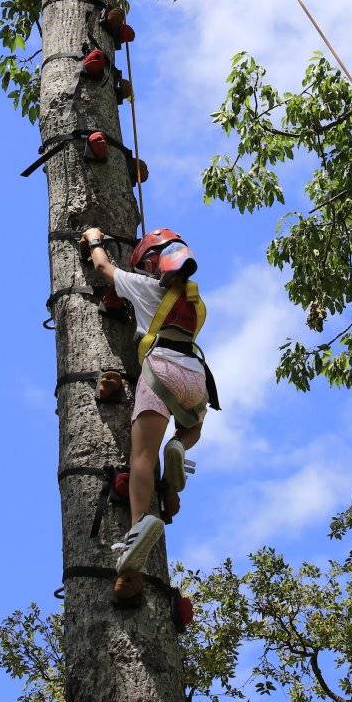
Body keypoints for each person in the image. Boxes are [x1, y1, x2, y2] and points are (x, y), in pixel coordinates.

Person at [80, 225, 216, 579]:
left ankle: (139, 524)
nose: (142, 273)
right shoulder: (196, 303)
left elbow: (104, 270)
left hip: (160, 370)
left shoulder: (145, 287)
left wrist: (95, 238)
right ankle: (179, 445)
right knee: (193, 426)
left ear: (155, 264)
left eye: (145, 266)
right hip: (196, 377)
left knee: (141, 456)